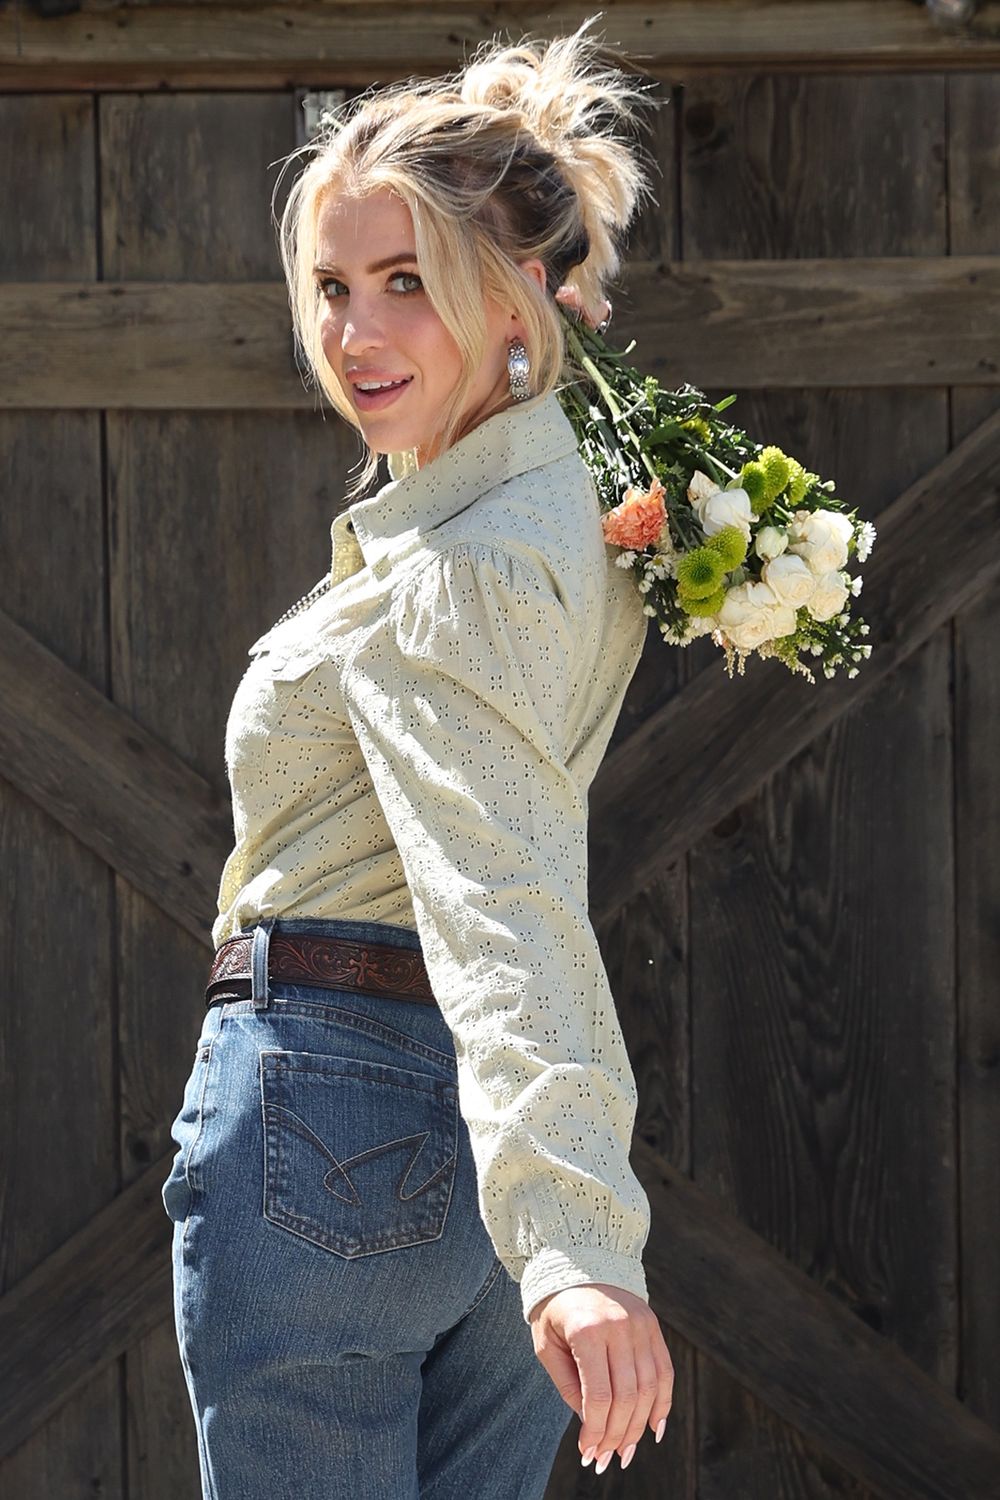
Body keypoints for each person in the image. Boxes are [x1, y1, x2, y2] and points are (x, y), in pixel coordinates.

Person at [161, 15, 674, 1498]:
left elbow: (503, 887)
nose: (355, 334)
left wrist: (578, 1240)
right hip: (468, 1153)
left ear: (521, 298)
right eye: (331, 288)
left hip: (339, 1122)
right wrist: (557, 1224)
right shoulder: (551, 509)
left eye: (407, 284)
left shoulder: (467, 561)